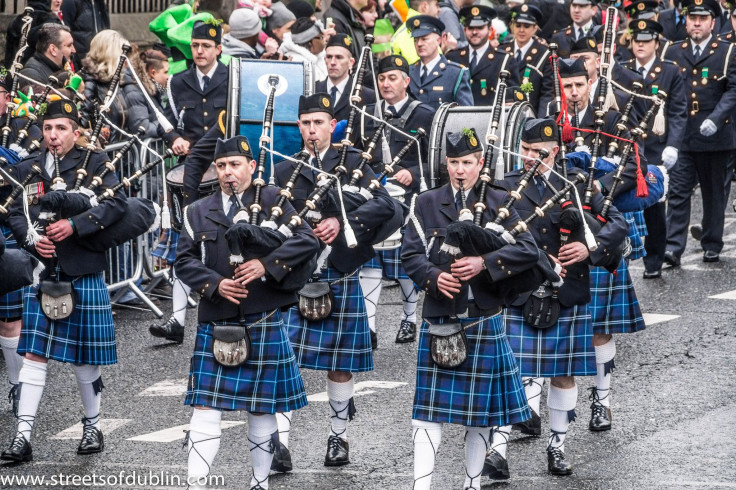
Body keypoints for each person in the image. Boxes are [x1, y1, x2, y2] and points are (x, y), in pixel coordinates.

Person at [174, 135, 320, 490]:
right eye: (221, 166)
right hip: (217, 317)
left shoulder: (272, 199)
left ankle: (260, 483)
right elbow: (183, 260)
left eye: (235, 165)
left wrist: (266, 265)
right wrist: (214, 284)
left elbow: (308, 241)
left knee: (262, 408)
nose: (228, 173)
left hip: (263, 317)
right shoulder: (197, 210)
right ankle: (196, 484)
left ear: (251, 167)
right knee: (205, 407)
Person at [486, 118, 628, 479]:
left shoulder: (576, 185)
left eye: (541, 153)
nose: (532, 158)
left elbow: (618, 224)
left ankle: (557, 446)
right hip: (521, 292)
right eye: (527, 150)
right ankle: (497, 451)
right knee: (510, 374)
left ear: (556, 153)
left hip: (567, 294)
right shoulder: (504, 188)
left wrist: (588, 247)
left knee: (563, 376)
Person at [401, 127, 536, 490]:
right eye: (454, 162)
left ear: (480, 164)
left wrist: (485, 263)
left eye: (467, 163)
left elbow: (528, 250)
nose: (460, 170)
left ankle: (472, 483)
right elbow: (410, 255)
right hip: (441, 316)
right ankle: (421, 485)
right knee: (427, 413)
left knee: (479, 414)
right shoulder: (425, 202)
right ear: (446, 163)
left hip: (484, 316)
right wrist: (432, 278)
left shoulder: (501, 200)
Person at [271, 93, 396, 471]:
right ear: (299, 127)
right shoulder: (284, 169)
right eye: (306, 123)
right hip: (297, 277)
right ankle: (280, 443)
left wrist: (343, 222)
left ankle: (338, 437)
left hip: (339, 273)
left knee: (340, 366)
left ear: (331, 126)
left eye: (319, 123)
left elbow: (387, 205)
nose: (312, 130)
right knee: (284, 361)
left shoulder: (353, 162)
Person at [1, 99, 127, 463]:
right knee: (33, 356)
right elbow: (13, 210)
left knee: (85, 359)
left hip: (82, 267)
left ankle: (92, 426)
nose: (53, 136)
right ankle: (22, 437)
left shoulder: (96, 163)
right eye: (49, 129)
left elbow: (115, 204)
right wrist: (30, 239)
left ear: (76, 132)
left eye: (62, 129)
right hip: (43, 270)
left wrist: (75, 225)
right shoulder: (28, 167)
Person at [151, 20, 229, 344]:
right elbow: (165, 121)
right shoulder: (177, 82)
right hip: (191, 174)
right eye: (195, 45)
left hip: (228, 170)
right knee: (186, 242)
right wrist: (174, 137)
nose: (199, 51)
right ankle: (177, 320)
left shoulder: (232, 78)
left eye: (206, 46)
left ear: (218, 49)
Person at [359, 54, 434, 346]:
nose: (386, 83)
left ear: (406, 81)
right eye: (382, 78)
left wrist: (412, 173)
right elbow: (355, 153)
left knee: (402, 260)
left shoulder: (425, 114)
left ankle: (409, 317)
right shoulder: (367, 113)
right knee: (371, 259)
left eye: (392, 77)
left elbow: (436, 161)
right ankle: (370, 326)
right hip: (375, 197)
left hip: (409, 199)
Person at [661, 0, 736, 265]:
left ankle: (712, 242)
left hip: (716, 136)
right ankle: (672, 247)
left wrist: (717, 117)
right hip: (682, 135)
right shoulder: (672, 51)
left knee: (714, 194)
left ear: (712, 23)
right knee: (678, 193)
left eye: (702, 18)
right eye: (692, 17)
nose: (696, 23)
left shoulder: (727, 52)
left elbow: (733, 89)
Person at [621, 19, 687, 278]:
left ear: (656, 44)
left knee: (655, 207)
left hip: (657, 147)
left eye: (646, 41)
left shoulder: (669, 71)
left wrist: (673, 146)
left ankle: (653, 260)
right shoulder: (624, 70)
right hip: (630, 146)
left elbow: (679, 111)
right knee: (625, 204)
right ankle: (624, 253)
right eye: (637, 40)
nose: (640, 45)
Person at [81, 30, 159, 141]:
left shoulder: (119, 82)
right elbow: (84, 124)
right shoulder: (90, 83)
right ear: (111, 55)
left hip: (123, 153)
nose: (126, 60)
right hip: (104, 153)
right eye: (123, 55)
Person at [447, 5, 520, 106]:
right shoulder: (452, 58)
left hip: (490, 119)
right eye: (471, 28)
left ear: (490, 30)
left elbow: (512, 101)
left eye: (480, 28)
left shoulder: (505, 60)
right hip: (457, 119)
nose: (475, 32)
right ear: (464, 30)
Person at [407, 15, 473, 109]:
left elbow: (466, 115)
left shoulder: (456, 73)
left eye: (424, 39)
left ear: (439, 40)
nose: (419, 44)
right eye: (415, 40)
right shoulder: (409, 71)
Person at [498, 4, 553, 114]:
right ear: (511, 26)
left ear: (535, 29)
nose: (522, 30)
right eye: (518, 25)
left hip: (531, 114)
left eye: (527, 26)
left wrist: (540, 122)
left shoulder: (544, 54)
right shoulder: (501, 50)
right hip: (503, 114)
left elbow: (547, 93)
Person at [315, 33, 376, 122]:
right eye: (329, 57)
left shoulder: (366, 95)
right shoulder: (314, 89)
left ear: (351, 62)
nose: (332, 62)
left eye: (339, 57)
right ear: (325, 60)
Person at [4, 0, 63, 68]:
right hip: (39, 73)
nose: (58, 1)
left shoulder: (15, 22)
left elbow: (8, 56)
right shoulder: (53, 24)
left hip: (14, 71)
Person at [19, 24, 75, 93]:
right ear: (53, 50)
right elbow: (44, 102)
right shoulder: (31, 75)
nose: (74, 50)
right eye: (69, 45)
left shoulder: (61, 68)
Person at [390, 0, 441, 65]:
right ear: (424, 6)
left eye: (424, 39)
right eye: (436, 5)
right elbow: (427, 70)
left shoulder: (399, 35)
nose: (439, 10)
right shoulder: (426, 31)